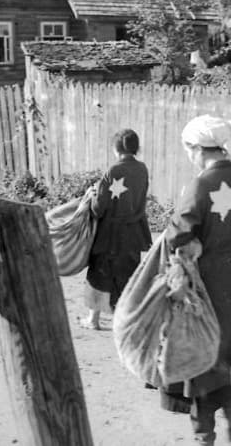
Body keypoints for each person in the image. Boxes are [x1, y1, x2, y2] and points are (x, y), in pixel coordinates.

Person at [161, 114, 231, 446]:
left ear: (199, 148)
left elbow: (178, 232)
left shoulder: (200, 184)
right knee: (220, 352)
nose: (189, 155)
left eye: (189, 149)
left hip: (202, 283)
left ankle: (205, 434)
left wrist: (187, 243)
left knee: (197, 354)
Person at [81, 129, 152, 330]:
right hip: (133, 232)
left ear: (115, 149)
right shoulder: (142, 169)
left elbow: (98, 208)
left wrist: (93, 194)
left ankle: (93, 319)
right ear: (136, 148)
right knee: (128, 274)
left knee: (99, 272)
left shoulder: (112, 172)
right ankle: (125, 320)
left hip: (109, 234)